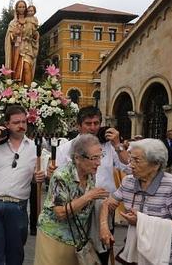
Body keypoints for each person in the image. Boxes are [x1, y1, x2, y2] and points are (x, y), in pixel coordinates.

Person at [51, 106, 130, 264]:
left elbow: (128, 166)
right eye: (88, 123)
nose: (93, 127)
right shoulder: (65, 148)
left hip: (103, 207)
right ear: (79, 125)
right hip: (77, 207)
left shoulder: (108, 145)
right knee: (77, 251)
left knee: (101, 250)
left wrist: (117, 144)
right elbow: (59, 179)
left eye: (96, 123)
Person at [0, 105, 45, 265]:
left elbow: (38, 175)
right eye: (16, 122)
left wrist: (39, 176)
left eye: (24, 122)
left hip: (17, 207)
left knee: (15, 255)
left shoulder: (34, 148)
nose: (21, 126)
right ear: (7, 124)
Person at [99, 138, 172, 265]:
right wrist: (104, 227)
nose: (130, 165)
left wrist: (141, 221)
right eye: (130, 159)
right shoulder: (128, 181)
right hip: (138, 255)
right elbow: (108, 203)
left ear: (156, 164)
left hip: (169, 257)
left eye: (136, 160)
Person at [33, 134, 109, 265]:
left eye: (100, 156)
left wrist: (103, 225)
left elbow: (102, 200)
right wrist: (88, 196)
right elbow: (60, 213)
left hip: (77, 238)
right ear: (78, 158)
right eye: (94, 158)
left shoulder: (90, 174)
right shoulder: (62, 176)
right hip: (54, 236)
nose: (99, 163)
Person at [4, 0, 38, 86]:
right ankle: (19, 90)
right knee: (18, 71)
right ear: (16, 8)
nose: (22, 8)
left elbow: (35, 35)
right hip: (17, 49)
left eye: (23, 7)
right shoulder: (13, 22)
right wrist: (14, 34)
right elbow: (9, 37)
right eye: (20, 7)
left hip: (28, 47)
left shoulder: (31, 21)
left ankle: (28, 92)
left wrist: (35, 35)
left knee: (27, 67)